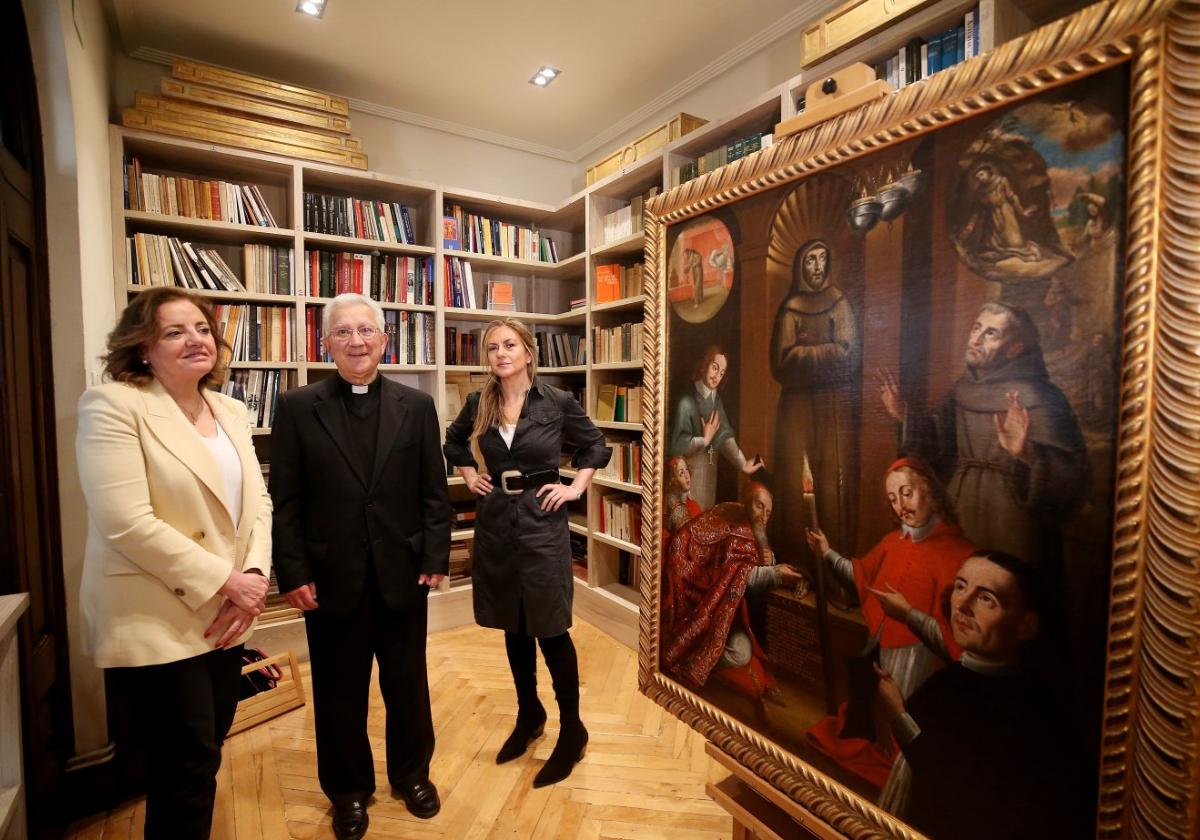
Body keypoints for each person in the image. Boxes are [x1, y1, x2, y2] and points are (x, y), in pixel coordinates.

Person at [76, 287, 272, 839]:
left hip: (229, 613)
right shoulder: (114, 405)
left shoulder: (231, 409)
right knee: (182, 765)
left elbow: (258, 502)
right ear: (142, 348)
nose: (195, 340)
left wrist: (255, 577)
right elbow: (124, 521)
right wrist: (228, 582)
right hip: (158, 614)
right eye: (174, 331)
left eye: (203, 329)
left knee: (204, 755)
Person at [270, 293, 450, 839]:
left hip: (402, 575)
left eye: (366, 331)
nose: (356, 341)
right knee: (338, 692)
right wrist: (293, 572)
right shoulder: (299, 407)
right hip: (329, 580)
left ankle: (412, 774)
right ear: (326, 344)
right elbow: (287, 501)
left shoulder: (416, 406)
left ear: (384, 340)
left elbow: (433, 493)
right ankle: (348, 791)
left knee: (408, 685)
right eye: (343, 332)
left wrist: (435, 556)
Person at [443, 318, 610, 788]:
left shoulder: (557, 402)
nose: (500, 353)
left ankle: (572, 730)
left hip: (542, 522)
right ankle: (529, 713)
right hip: (497, 522)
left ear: (529, 352)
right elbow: (453, 441)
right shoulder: (480, 402)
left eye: (510, 344)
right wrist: (467, 474)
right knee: (513, 624)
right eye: (492, 346)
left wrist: (576, 484)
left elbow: (595, 445)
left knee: (550, 626)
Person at [874, 550, 1090, 839]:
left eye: (987, 598)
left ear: (1027, 626)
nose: (962, 604)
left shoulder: (1027, 708)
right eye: (961, 587)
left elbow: (950, 783)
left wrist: (899, 714)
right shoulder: (953, 678)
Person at [878, 301, 1087, 578]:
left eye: (991, 333)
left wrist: (1027, 455)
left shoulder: (1042, 397)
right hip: (960, 505)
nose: (975, 338)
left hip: (1011, 517)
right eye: (976, 328)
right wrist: (906, 415)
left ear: (1015, 349)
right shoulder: (964, 388)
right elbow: (939, 438)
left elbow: (1072, 477)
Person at [803, 458, 975, 790]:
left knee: (903, 737)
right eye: (893, 499)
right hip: (881, 650)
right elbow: (862, 574)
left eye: (906, 494)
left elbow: (957, 639)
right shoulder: (894, 541)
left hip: (918, 661)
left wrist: (910, 614)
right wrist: (826, 553)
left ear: (929, 490)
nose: (900, 507)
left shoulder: (958, 552)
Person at [661, 482, 807, 712]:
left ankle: (699, 662)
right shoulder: (735, 522)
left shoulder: (752, 529)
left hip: (721, 608)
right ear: (748, 502)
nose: (764, 516)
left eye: (768, 512)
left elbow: (745, 567)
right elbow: (738, 574)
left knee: (741, 650)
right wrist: (775, 574)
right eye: (760, 506)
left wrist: (771, 562)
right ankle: (692, 662)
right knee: (740, 652)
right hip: (698, 600)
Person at [770, 238, 859, 598]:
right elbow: (781, 361)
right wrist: (827, 353)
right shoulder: (790, 307)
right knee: (794, 481)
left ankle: (833, 575)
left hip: (833, 405)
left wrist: (806, 352)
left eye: (823, 259)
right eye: (810, 260)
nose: (817, 266)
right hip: (796, 408)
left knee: (832, 479)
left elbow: (850, 354)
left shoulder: (840, 302)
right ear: (800, 266)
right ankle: (798, 567)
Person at [668, 345, 764, 511]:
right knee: (691, 516)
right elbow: (677, 445)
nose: (717, 376)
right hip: (689, 473)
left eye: (721, 373)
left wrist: (742, 464)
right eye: (715, 367)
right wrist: (704, 440)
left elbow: (724, 435)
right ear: (704, 365)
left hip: (710, 470)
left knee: (706, 515)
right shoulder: (687, 403)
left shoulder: (716, 403)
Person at [663, 454, 702, 538]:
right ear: (673, 480)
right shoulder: (671, 502)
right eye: (681, 473)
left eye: (686, 469)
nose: (687, 476)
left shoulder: (694, 505)